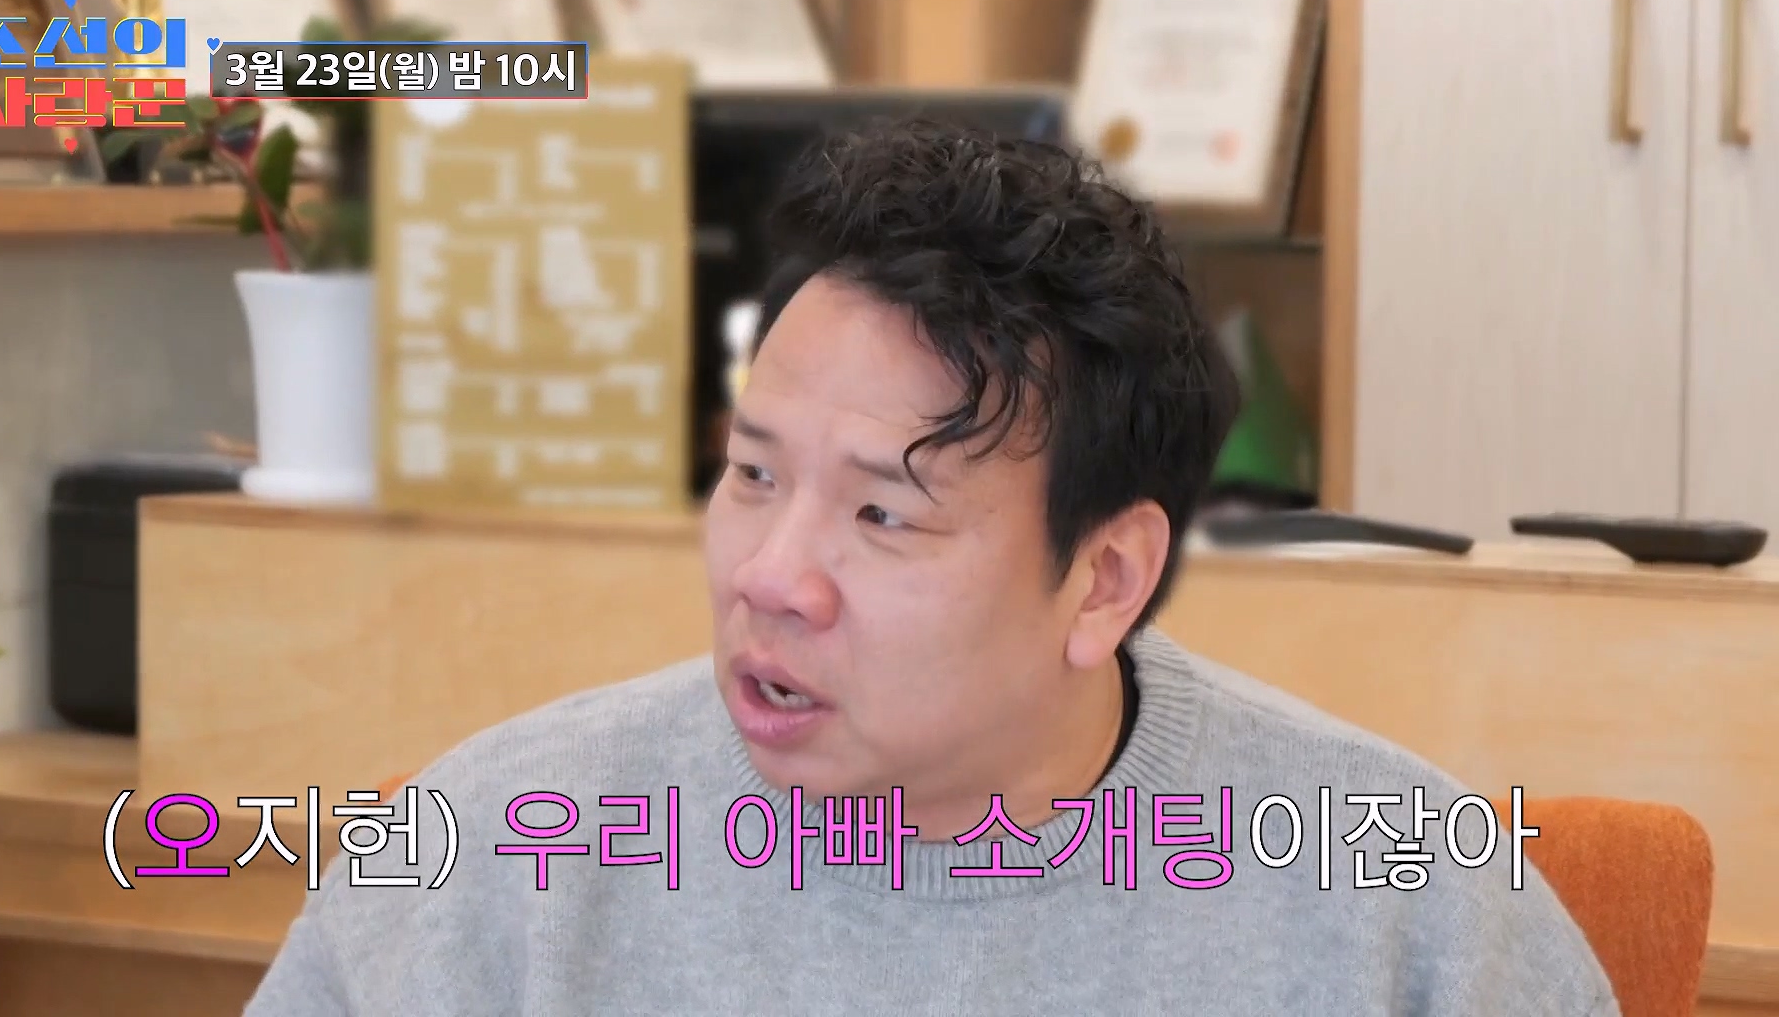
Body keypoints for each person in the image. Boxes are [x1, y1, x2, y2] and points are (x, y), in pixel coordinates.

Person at [245, 119, 1618, 1015]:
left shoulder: (1403, 906)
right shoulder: (491, 863)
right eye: (752, 475)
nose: (771, 576)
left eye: (884, 516)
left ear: (1106, 580)